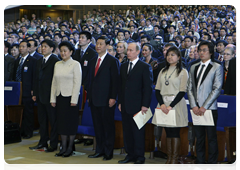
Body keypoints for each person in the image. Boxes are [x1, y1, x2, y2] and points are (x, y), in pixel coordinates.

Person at [187, 40, 223, 170]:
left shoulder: (217, 67)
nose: (201, 52)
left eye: (204, 50)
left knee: (211, 138)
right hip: (196, 109)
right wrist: (194, 105)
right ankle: (200, 164)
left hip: (209, 109)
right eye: (199, 50)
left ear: (211, 52)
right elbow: (189, 88)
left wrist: (204, 106)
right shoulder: (193, 67)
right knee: (199, 138)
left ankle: (211, 165)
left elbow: (217, 88)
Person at [118, 42, 153, 166]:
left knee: (138, 132)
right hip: (125, 104)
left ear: (138, 52)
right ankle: (130, 154)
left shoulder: (144, 66)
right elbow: (122, 87)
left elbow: (147, 88)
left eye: (131, 50)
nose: (128, 52)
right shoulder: (123, 66)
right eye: (127, 50)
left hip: (138, 105)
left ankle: (139, 156)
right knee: (127, 131)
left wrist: (145, 105)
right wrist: (120, 102)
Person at [87, 36, 120, 161]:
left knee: (107, 127)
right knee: (98, 126)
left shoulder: (112, 61)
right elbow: (90, 81)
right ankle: (99, 150)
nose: (98, 46)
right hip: (94, 99)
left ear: (107, 45)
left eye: (101, 44)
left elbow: (115, 82)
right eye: (97, 44)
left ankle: (108, 152)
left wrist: (113, 97)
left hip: (107, 100)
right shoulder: (92, 60)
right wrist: (89, 96)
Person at [155, 46, 188, 170]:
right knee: (167, 132)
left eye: (173, 55)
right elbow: (157, 90)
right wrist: (162, 104)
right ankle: (169, 157)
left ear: (179, 57)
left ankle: (174, 159)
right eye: (168, 54)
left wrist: (170, 106)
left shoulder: (183, 71)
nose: (170, 57)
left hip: (176, 104)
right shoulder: (162, 70)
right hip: (163, 104)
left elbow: (182, 91)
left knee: (174, 132)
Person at [50, 41, 82, 157]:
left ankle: (70, 148)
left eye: (65, 51)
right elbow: (54, 82)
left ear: (71, 52)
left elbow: (77, 83)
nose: (63, 53)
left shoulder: (75, 64)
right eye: (61, 51)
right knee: (62, 123)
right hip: (59, 98)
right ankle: (63, 147)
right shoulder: (57, 64)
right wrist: (52, 98)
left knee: (70, 124)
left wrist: (74, 99)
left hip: (70, 99)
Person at [29, 40, 60, 152]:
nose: (43, 48)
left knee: (53, 120)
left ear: (52, 48)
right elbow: (36, 78)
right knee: (42, 120)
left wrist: (54, 96)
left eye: (45, 47)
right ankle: (43, 142)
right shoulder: (39, 61)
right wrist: (35, 93)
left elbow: (56, 80)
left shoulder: (56, 61)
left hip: (51, 96)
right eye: (42, 46)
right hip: (40, 95)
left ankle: (53, 143)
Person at [12, 40, 37, 139]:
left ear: (28, 48)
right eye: (20, 47)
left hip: (28, 90)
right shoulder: (17, 61)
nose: (21, 48)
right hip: (18, 91)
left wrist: (33, 90)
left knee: (28, 112)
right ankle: (20, 130)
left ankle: (28, 131)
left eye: (23, 47)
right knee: (18, 111)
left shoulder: (33, 60)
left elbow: (35, 77)